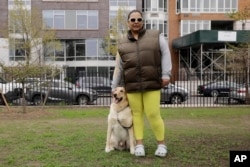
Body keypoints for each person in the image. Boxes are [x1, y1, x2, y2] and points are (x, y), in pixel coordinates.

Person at [111, 9, 172, 157]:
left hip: (152, 83)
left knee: (153, 114)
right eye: (133, 20)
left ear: (142, 21)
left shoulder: (156, 36)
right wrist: (114, 87)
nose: (136, 22)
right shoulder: (122, 42)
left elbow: (165, 53)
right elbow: (119, 67)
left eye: (139, 19)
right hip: (132, 86)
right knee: (136, 115)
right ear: (128, 22)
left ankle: (161, 145)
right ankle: (139, 144)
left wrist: (166, 74)